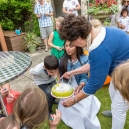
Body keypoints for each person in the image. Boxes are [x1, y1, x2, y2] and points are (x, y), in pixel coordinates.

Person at [58, 14, 129, 129]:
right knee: (112, 92)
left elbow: (95, 83)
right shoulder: (101, 33)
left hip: (126, 77)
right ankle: (116, 111)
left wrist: (74, 100)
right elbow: (93, 64)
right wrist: (73, 72)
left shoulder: (99, 48)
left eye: (72, 42)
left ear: (79, 37)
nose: (73, 45)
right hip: (119, 74)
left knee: (119, 108)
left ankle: (118, 114)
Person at [58, 40, 101, 129]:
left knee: (83, 114)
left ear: (77, 47)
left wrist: (80, 86)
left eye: (71, 46)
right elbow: (61, 78)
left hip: (80, 88)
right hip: (67, 89)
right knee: (71, 108)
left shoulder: (85, 59)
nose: (68, 49)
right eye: (66, 46)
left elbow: (84, 78)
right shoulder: (62, 60)